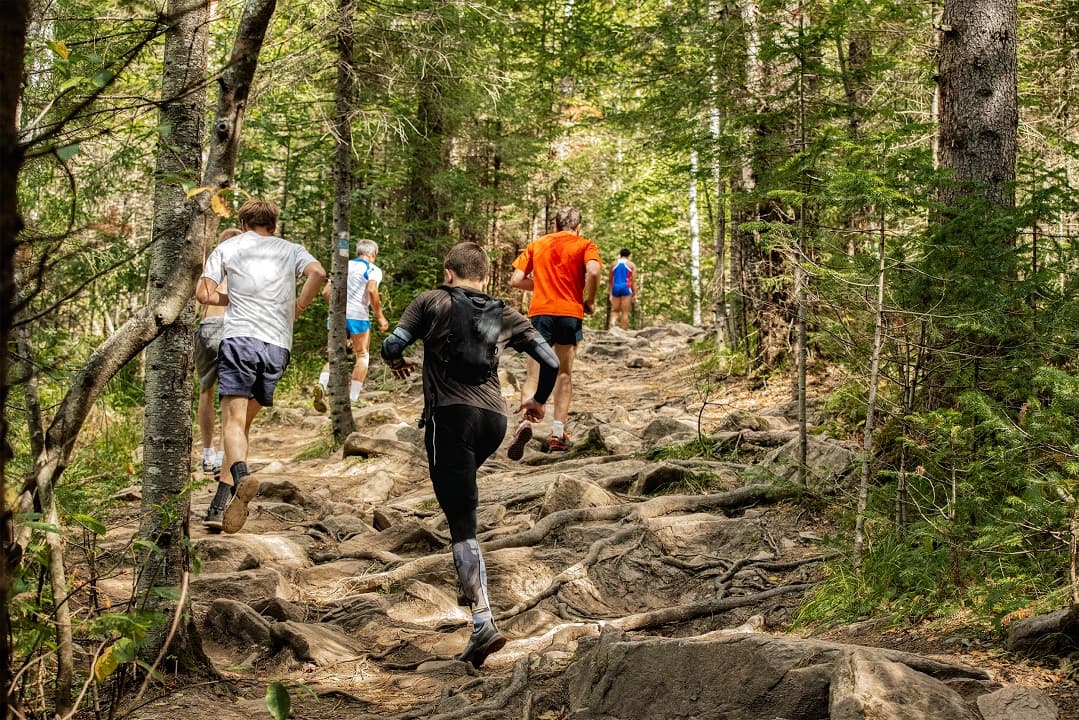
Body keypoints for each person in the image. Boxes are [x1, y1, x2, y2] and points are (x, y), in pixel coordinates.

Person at [380, 242, 559, 668]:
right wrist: (536, 402)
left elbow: (391, 345)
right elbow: (550, 360)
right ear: (485, 277)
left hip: (449, 418)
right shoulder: (505, 314)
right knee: (460, 495)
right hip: (494, 422)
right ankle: (469, 587)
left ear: (448, 273)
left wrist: (397, 359)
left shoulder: (431, 302)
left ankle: (482, 622)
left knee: (462, 522)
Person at [196, 199, 326, 533]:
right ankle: (218, 506)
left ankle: (240, 476)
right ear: (274, 224)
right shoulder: (291, 249)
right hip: (277, 346)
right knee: (241, 427)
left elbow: (203, 293)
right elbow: (319, 273)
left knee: (232, 424)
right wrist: (298, 305)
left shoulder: (229, 247)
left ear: (242, 224)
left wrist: (232, 298)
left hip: (240, 340)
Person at [509, 206, 601, 453]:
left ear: (555, 226)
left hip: (540, 312)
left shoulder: (537, 244)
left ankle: (525, 423)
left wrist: (540, 286)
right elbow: (593, 271)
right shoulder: (585, 245)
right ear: (578, 227)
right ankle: (557, 434)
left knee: (533, 373)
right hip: (570, 313)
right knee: (564, 374)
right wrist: (590, 301)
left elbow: (516, 280)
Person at [313, 239, 389, 411]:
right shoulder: (373, 269)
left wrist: (338, 308)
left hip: (337, 316)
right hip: (358, 316)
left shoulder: (342, 265)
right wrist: (380, 317)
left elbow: (326, 292)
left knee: (334, 356)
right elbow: (371, 290)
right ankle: (353, 399)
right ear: (373, 254)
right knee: (362, 355)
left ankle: (321, 385)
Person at [194, 228, 242, 478]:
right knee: (231, 394)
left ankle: (208, 453)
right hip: (233, 329)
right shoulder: (244, 265)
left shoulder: (212, 265)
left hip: (209, 327)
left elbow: (200, 298)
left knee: (206, 390)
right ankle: (225, 454)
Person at [608, 248, 637, 331]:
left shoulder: (613, 264)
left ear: (620, 254)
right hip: (626, 288)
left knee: (615, 310)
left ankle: (612, 322)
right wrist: (635, 294)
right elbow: (633, 280)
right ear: (629, 255)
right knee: (625, 312)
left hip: (615, 288)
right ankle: (623, 331)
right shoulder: (631, 265)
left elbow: (610, 280)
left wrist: (610, 293)